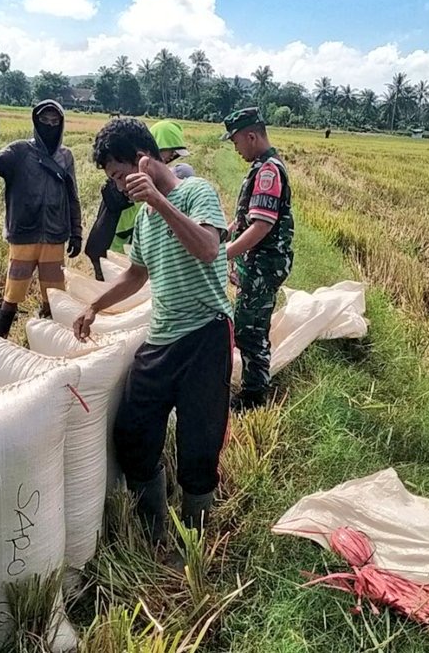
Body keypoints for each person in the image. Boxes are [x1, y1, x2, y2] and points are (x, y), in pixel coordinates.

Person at [73, 117, 231, 545]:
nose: (119, 186)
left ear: (143, 159)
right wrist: (94, 306)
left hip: (205, 335)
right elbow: (136, 274)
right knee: (133, 434)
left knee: (199, 445)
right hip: (161, 339)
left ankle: (193, 542)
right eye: (113, 179)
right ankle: (154, 530)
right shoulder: (143, 217)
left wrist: (160, 202)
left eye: (120, 175)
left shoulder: (196, 192)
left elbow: (208, 249)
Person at [0, 100, 82, 336]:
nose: (49, 125)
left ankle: (48, 339)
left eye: (54, 122)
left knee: (53, 297)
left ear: (61, 125)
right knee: (12, 294)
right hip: (24, 234)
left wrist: (76, 232)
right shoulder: (20, 151)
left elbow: (72, 196)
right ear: (36, 122)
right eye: (44, 120)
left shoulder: (65, 157)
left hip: (54, 235)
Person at [222, 107, 294, 411]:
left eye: (236, 141)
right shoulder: (262, 167)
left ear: (251, 136)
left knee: (250, 330)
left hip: (263, 265)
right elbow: (245, 219)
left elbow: (261, 226)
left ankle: (253, 396)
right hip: (257, 264)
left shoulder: (268, 171)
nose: (236, 148)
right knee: (248, 323)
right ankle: (253, 386)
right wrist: (222, 235)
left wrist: (223, 253)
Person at [84, 120, 194, 280]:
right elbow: (96, 247)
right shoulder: (122, 188)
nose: (170, 159)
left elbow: (207, 249)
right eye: (169, 153)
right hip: (116, 259)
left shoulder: (191, 191)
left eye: (174, 156)